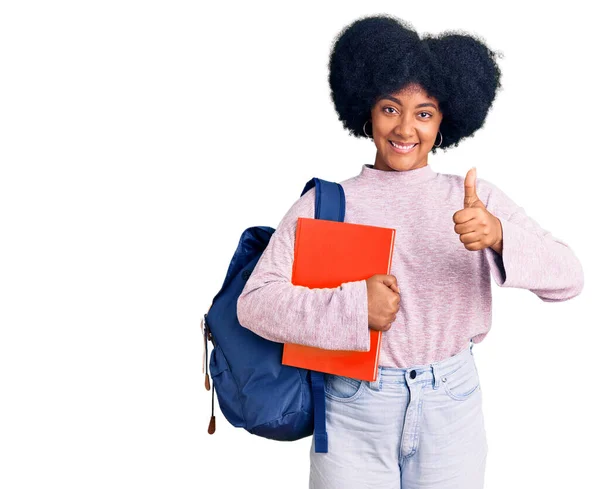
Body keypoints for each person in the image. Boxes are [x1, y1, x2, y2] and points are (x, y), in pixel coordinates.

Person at [236, 14, 584, 489]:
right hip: (354, 407)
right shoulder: (324, 203)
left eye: (424, 112)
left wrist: (500, 235)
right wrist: (355, 307)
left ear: (444, 122)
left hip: (451, 405)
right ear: (367, 112)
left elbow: (570, 277)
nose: (405, 128)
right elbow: (255, 304)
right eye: (389, 108)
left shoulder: (474, 200)